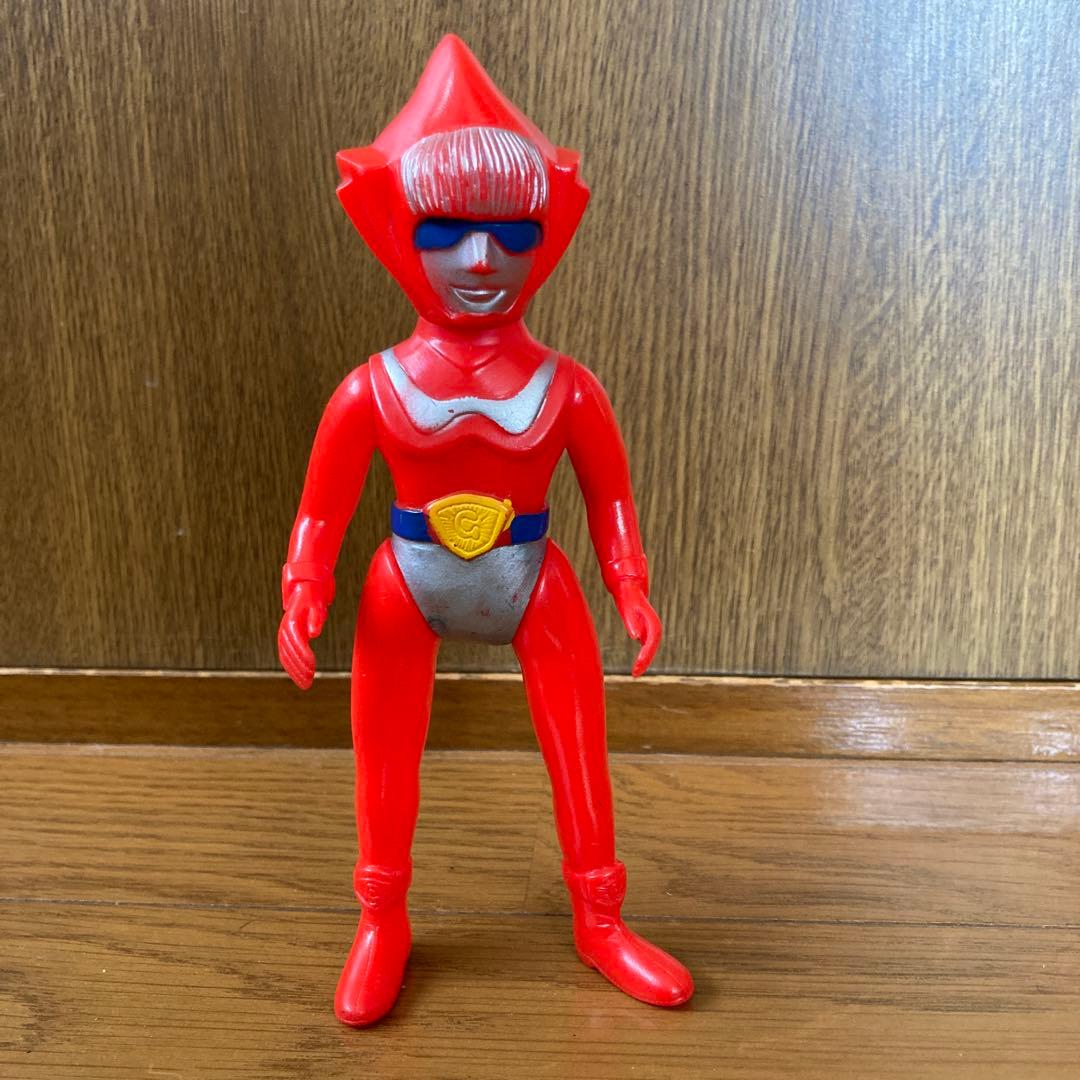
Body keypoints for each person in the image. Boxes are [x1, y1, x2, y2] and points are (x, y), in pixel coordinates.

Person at [279, 34, 694, 1026]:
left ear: (543, 236)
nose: (480, 259)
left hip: (530, 575)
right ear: (399, 233)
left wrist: (630, 583)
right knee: (384, 756)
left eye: (510, 232)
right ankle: (381, 918)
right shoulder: (373, 388)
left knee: (579, 746)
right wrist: (305, 587)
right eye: (447, 231)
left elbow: (611, 496)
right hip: (406, 579)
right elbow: (321, 508)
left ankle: (601, 918)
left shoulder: (567, 388)